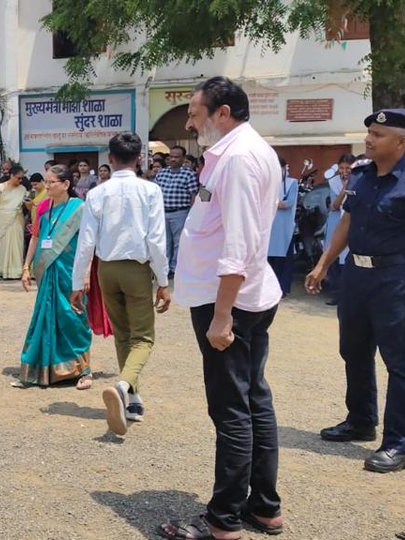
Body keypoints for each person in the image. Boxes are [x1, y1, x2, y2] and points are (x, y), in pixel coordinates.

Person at [160, 77, 285, 540]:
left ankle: (222, 520)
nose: (189, 124)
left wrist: (221, 315)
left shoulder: (238, 158)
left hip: (229, 301)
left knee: (232, 408)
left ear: (223, 113)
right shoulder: (242, 152)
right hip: (240, 296)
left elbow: (239, 243)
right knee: (253, 400)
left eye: (195, 114)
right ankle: (263, 507)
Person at [305, 108, 405, 474]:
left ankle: (400, 445)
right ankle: (360, 420)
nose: (368, 139)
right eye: (369, 132)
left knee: (400, 362)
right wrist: (324, 264)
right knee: (353, 350)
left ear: (401, 142)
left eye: (377, 134)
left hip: (396, 279)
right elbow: (348, 220)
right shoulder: (360, 174)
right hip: (356, 275)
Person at [70, 132, 170, 437]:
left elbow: (86, 242)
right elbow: (156, 240)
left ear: (110, 159)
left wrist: (77, 283)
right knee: (143, 338)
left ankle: (133, 401)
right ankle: (123, 386)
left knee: (123, 334)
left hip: (107, 270)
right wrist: (163, 281)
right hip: (136, 269)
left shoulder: (97, 193)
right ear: (138, 159)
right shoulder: (150, 190)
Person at [16, 167, 93, 389]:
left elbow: (89, 244)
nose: (47, 186)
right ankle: (43, 371)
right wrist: (26, 267)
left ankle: (83, 371)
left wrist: (87, 273)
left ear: (66, 184)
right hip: (47, 270)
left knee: (73, 319)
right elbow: (35, 238)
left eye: (52, 182)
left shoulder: (79, 209)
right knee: (45, 318)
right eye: (46, 182)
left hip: (70, 273)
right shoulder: (42, 207)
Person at [152, 145, 199, 279]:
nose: (173, 159)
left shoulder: (189, 174)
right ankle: (165, 269)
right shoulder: (162, 173)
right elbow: (155, 193)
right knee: (164, 242)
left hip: (180, 212)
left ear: (183, 158)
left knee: (179, 242)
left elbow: (193, 195)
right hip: (162, 212)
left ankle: (175, 268)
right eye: (171, 156)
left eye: (177, 157)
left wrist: (192, 214)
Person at [323, 153, 358, 304]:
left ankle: (349, 295)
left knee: (348, 260)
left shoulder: (360, 180)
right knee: (333, 257)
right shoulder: (334, 182)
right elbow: (335, 206)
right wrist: (344, 188)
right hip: (336, 223)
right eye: (342, 168)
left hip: (353, 223)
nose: (344, 171)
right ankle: (336, 294)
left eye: (348, 168)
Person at [0, 165, 29, 280]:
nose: (20, 180)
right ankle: (3, 271)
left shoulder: (22, 189)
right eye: (18, 178)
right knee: (4, 246)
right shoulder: (0, 187)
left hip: (17, 219)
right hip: (2, 220)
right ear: (11, 176)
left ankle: (16, 272)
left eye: (21, 178)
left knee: (17, 245)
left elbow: (26, 203)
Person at [268, 158, 299, 296]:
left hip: (284, 228)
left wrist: (271, 202)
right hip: (270, 227)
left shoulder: (292, 183)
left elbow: (288, 203)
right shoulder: (268, 183)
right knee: (269, 259)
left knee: (283, 260)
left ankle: (282, 289)